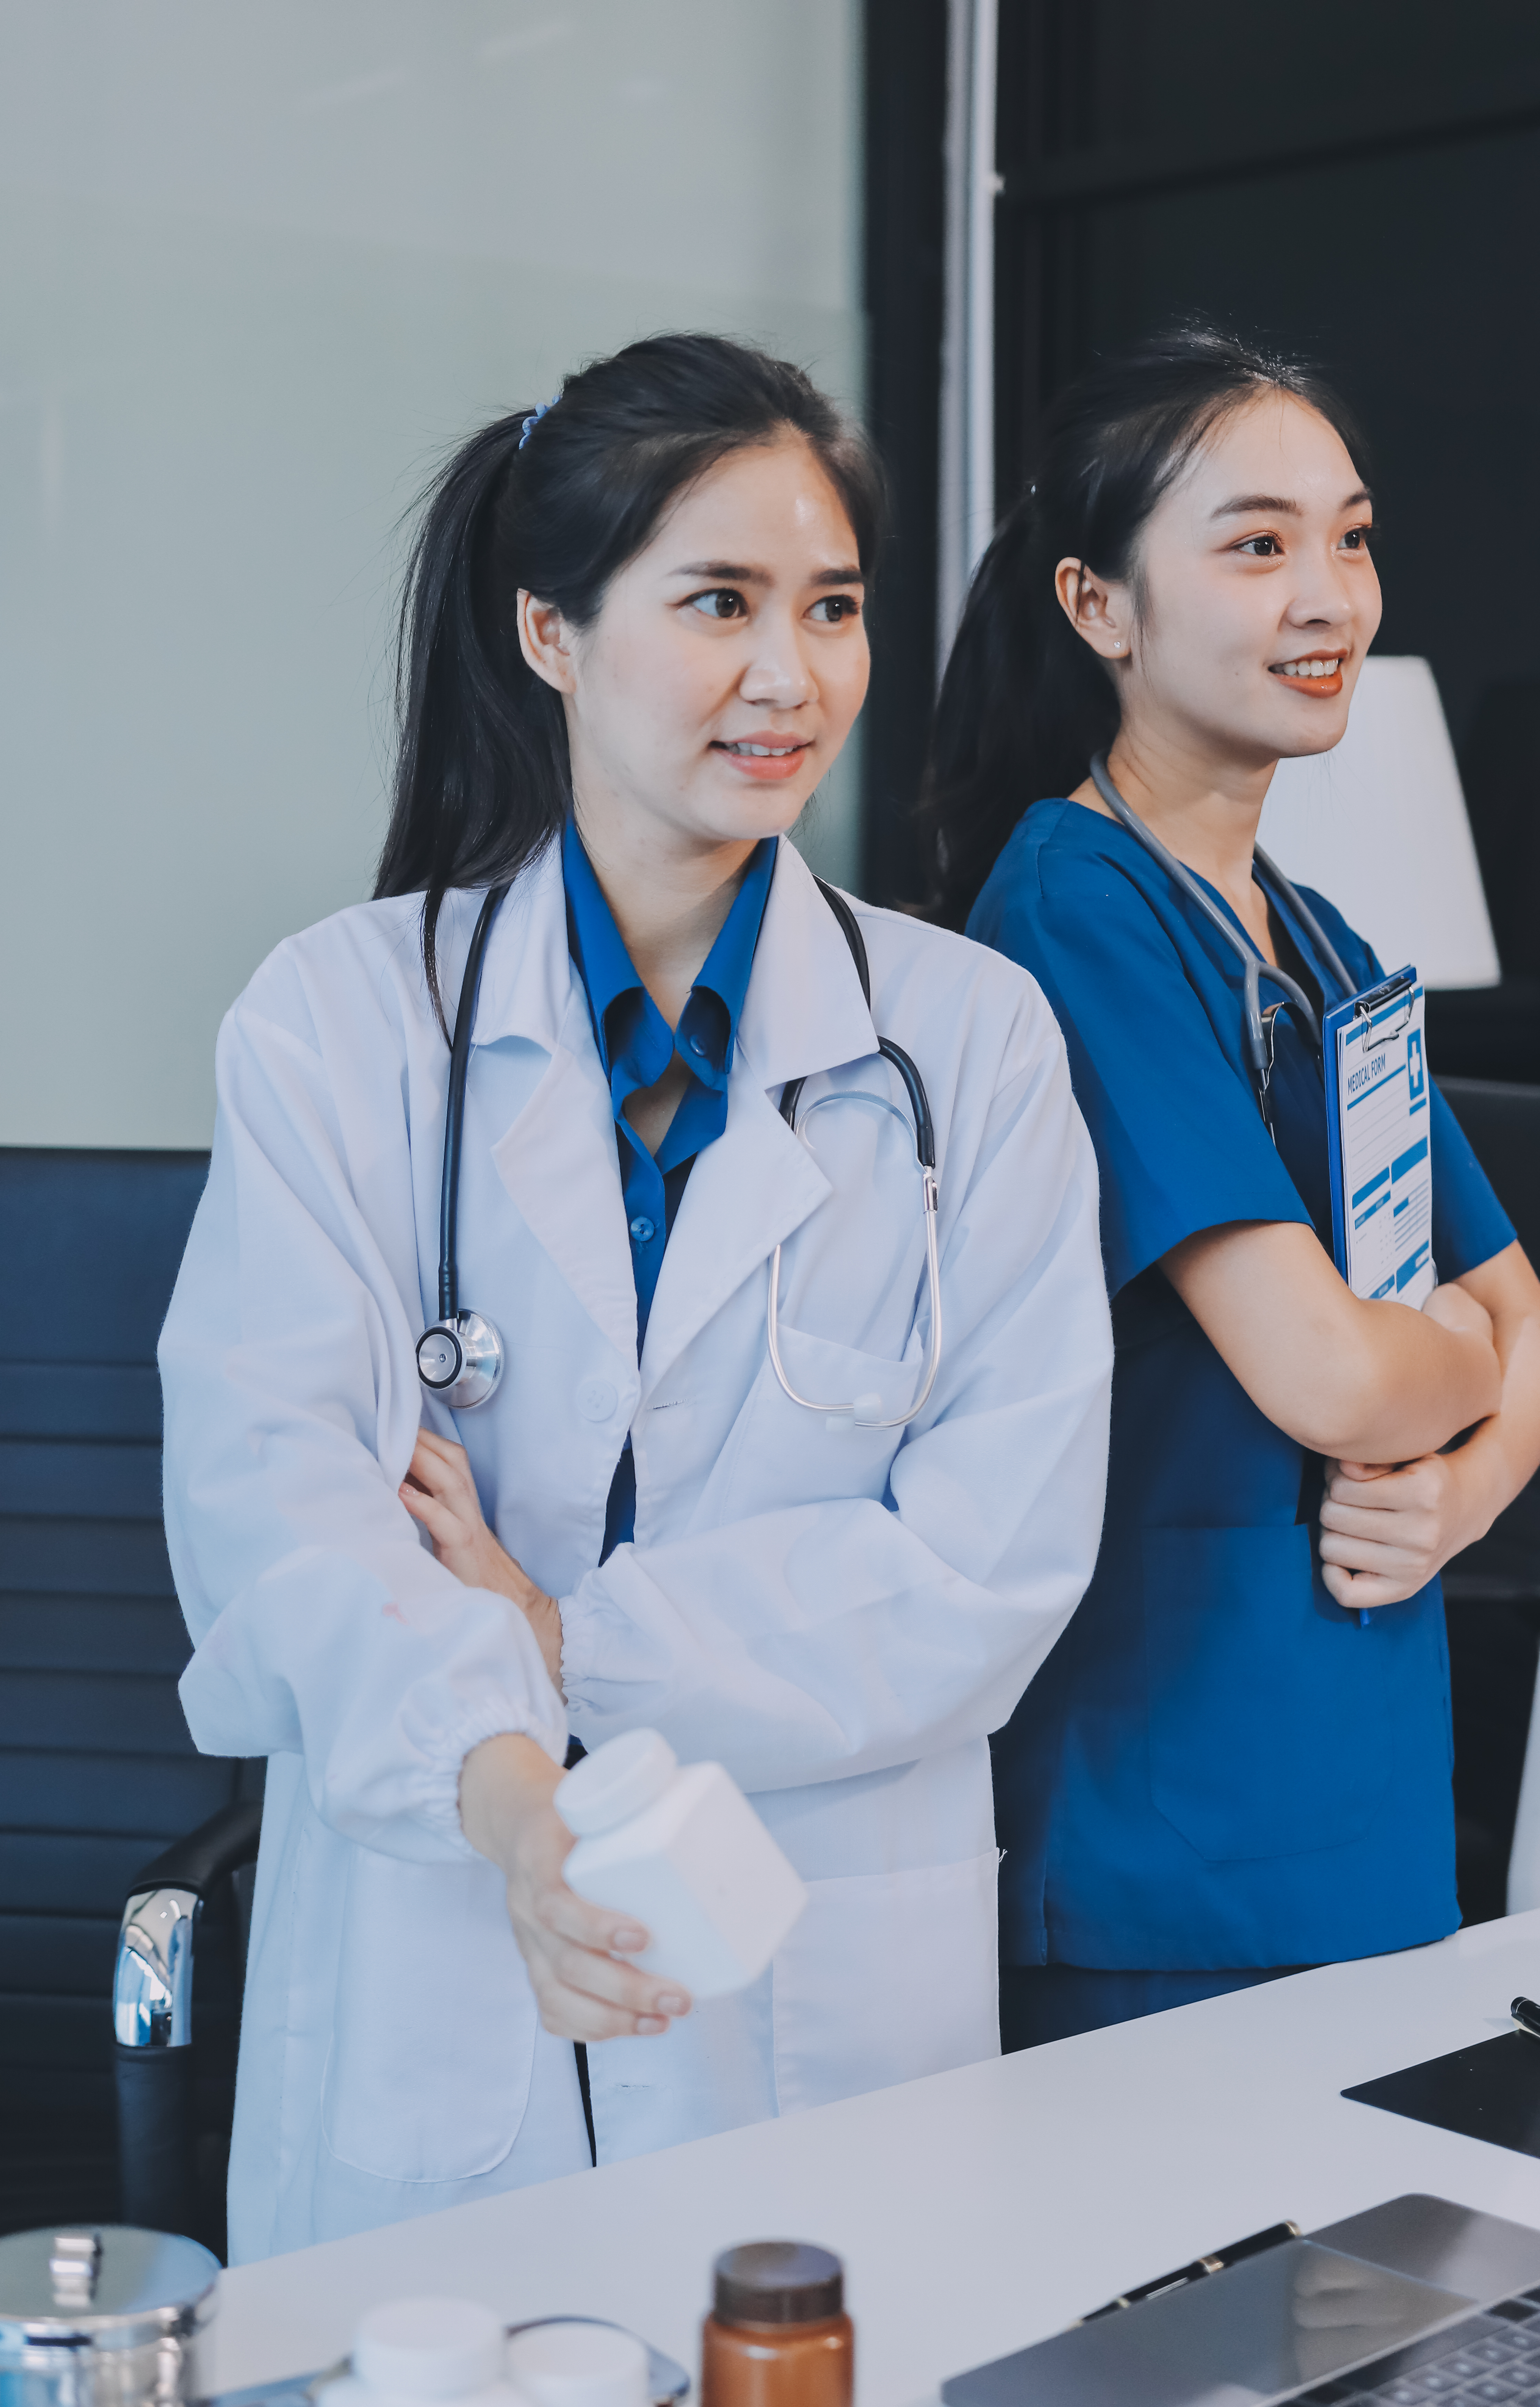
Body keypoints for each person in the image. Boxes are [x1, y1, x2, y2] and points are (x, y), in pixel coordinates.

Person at [159, 333, 1113, 2257]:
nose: (792, 674)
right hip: (442, 1988)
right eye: (719, 604)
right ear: (549, 634)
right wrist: (515, 1803)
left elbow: (993, 1562)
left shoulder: (970, 1043)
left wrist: (566, 1639)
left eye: (832, 607)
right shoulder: (347, 1025)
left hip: (825, 2008)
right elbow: (281, 1516)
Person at [924, 325, 1540, 2052]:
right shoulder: (1074, 908)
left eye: (1348, 537)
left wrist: (1460, 1491)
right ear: (1097, 606)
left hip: (1350, 1801)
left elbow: (1519, 1308)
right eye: (1255, 544)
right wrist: (1454, 1371)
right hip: (1166, 1830)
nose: (1327, 593)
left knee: (1379, 2317)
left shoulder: (1316, 938)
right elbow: (1328, 1375)